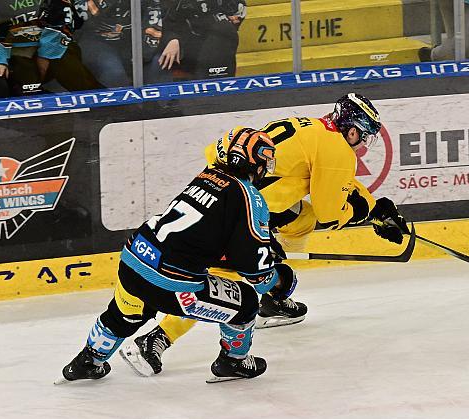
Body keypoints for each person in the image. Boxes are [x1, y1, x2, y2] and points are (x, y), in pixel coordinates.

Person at [119, 93, 411, 377]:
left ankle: (272, 295)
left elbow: (334, 182)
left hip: (225, 188)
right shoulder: (337, 150)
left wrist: (375, 209)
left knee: (302, 218)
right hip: (240, 210)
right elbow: (331, 213)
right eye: (364, 134)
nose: (364, 142)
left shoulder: (314, 127)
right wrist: (360, 212)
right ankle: (154, 341)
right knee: (230, 280)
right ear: (351, 130)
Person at [57, 127, 298, 383]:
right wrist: (279, 282)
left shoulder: (206, 176)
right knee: (247, 302)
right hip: (172, 284)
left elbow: (201, 237)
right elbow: (255, 271)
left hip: (134, 259)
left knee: (124, 315)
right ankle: (233, 361)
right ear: (257, 162)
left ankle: (87, 362)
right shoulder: (251, 198)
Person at [0, 0, 102, 96]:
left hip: (56, 46)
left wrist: (45, 55)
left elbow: (63, 23)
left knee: (65, 59)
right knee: (15, 73)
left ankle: (103, 102)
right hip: (14, 52)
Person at [146, 0, 245, 83]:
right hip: (180, 46)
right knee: (158, 61)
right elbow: (160, 21)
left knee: (224, 31)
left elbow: (238, 12)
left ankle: (219, 89)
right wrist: (172, 39)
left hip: (214, 44)